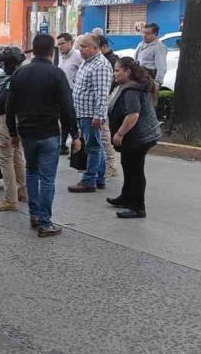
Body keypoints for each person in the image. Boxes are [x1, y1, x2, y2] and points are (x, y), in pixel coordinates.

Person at [6, 34, 80, 237]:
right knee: (47, 178)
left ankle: (35, 215)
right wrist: (74, 134)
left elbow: (10, 105)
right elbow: (67, 107)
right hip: (48, 132)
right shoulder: (56, 74)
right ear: (51, 51)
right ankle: (45, 222)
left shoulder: (20, 74)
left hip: (27, 132)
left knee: (31, 171)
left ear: (33, 49)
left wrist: (13, 132)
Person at [107, 57, 161, 218]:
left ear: (128, 72)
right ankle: (126, 197)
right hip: (136, 137)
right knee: (127, 166)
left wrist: (120, 133)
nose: (114, 74)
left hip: (138, 138)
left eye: (117, 70)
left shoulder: (131, 90)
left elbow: (133, 115)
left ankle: (138, 207)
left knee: (135, 170)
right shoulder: (130, 86)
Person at [0, 47, 27, 211]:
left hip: (7, 122)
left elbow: (0, 101)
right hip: (19, 121)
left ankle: (10, 199)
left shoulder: (13, 78)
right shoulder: (23, 75)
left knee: (5, 159)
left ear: (10, 63)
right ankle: (22, 192)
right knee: (17, 156)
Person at [69, 33, 113, 193]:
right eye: (80, 46)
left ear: (96, 47)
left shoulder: (100, 65)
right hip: (83, 112)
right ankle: (99, 177)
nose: (81, 49)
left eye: (85, 46)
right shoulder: (87, 62)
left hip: (91, 114)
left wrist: (98, 116)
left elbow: (101, 93)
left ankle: (89, 180)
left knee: (92, 147)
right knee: (95, 146)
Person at [55, 33, 83, 154]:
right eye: (59, 44)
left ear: (70, 42)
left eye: (62, 43)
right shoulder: (60, 57)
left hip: (74, 93)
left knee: (71, 119)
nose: (60, 47)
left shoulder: (78, 56)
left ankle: (75, 144)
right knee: (63, 120)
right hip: (61, 93)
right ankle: (63, 145)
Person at [97, 35, 119, 179]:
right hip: (104, 101)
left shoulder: (110, 61)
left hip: (107, 100)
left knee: (104, 134)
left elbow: (108, 86)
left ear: (103, 47)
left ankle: (110, 165)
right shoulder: (103, 60)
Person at [134, 23, 167, 88]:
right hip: (139, 77)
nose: (144, 35)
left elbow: (161, 67)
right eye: (143, 33)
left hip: (150, 78)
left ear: (155, 34)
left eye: (148, 33)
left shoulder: (158, 47)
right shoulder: (141, 44)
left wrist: (157, 83)